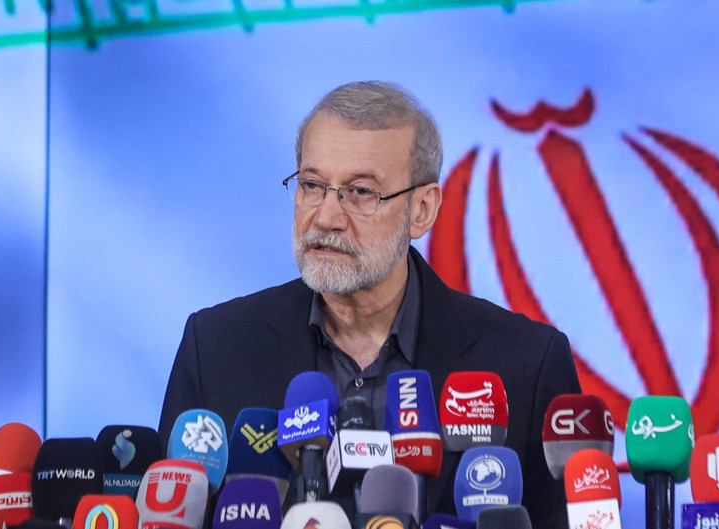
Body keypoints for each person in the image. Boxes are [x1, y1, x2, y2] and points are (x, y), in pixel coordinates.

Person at [159, 81, 581, 527]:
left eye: (360, 192)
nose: (326, 217)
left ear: (422, 210)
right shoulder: (216, 348)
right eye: (312, 185)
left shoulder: (526, 364)